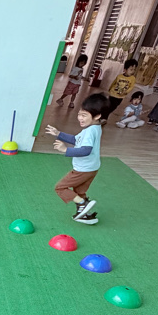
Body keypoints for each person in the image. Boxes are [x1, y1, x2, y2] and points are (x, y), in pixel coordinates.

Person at [44, 92, 109, 225]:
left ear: (97, 116)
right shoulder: (94, 127)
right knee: (79, 191)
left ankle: (83, 204)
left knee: (60, 188)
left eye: (84, 115)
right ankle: (84, 214)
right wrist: (58, 134)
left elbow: (85, 150)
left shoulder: (90, 131)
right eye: (79, 114)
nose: (80, 118)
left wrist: (65, 150)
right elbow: (76, 139)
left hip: (83, 169)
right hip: (92, 168)